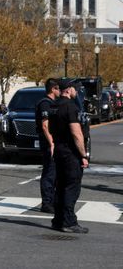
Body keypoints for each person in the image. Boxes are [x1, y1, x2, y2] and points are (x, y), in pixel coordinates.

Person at [49, 79, 90, 233]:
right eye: (76, 89)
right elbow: (76, 133)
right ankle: (69, 221)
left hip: (59, 149)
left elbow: (48, 127)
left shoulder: (54, 106)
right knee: (71, 187)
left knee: (60, 186)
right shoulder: (70, 107)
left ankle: (58, 220)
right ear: (69, 90)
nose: (77, 92)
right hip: (70, 152)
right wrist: (83, 154)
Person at [36, 78, 60, 213]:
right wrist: (51, 143)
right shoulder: (45, 103)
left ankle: (52, 201)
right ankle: (46, 203)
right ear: (53, 89)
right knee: (49, 173)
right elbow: (45, 126)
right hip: (48, 142)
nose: (60, 91)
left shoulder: (52, 103)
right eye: (58, 89)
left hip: (53, 141)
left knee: (55, 173)